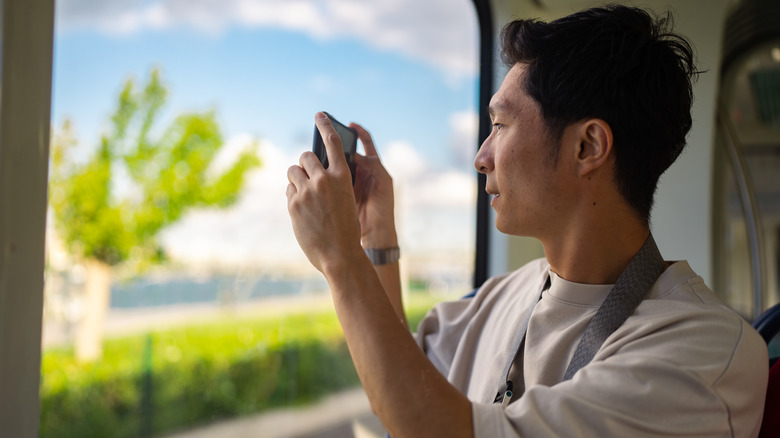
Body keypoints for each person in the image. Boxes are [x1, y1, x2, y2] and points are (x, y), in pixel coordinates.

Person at [286, 4, 768, 437]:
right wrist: (375, 238)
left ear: (587, 147)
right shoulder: (505, 294)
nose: (480, 157)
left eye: (499, 125)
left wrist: (339, 259)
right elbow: (404, 376)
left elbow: (429, 423)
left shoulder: (704, 352)